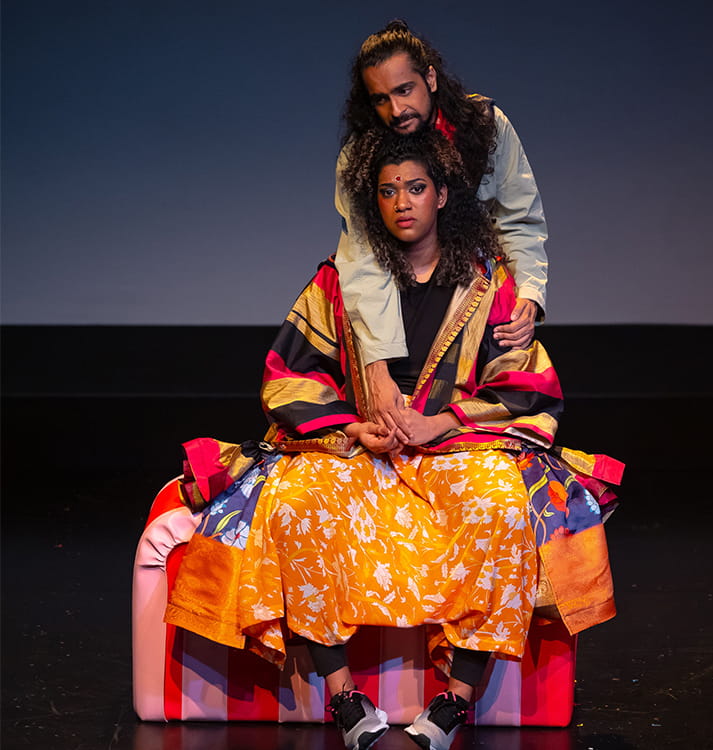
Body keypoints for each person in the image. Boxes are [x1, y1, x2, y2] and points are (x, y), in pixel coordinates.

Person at [164, 131, 620, 750]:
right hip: (360, 444)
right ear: (371, 202)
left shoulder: (487, 283)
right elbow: (289, 375)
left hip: (457, 442)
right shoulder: (342, 281)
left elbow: (522, 383)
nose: (402, 203)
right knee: (297, 505)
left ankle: (456, 701)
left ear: (442, 195)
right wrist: (354, 427)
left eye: (416, 188)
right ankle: (344, 697)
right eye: (387, 191)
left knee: (501, 507)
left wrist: (441, 423)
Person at [337, 20, 549, 439]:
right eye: (380, 98)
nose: (396, 110)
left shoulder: (485, 127)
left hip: (471, 296)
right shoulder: (359, 154)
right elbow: (364, 257)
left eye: (405, 90)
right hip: (396, 297)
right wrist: (377, 367)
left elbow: (519, 217)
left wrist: (528, 294)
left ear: (430, 78)